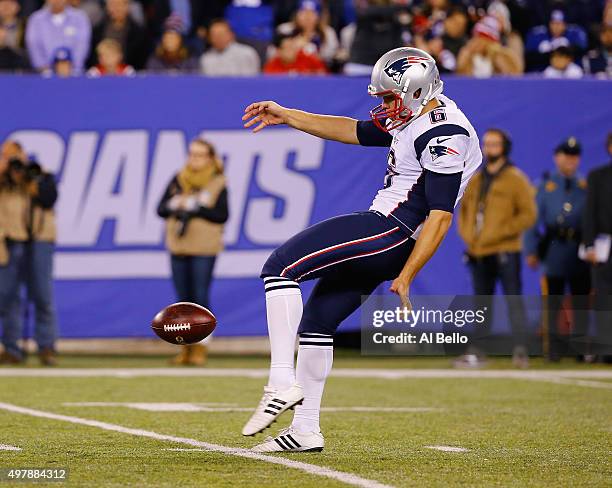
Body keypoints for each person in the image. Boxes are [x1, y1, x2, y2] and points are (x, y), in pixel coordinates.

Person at [240, 47, 482, 452]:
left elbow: (440, 216)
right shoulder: (420, 113)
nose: (386, 107)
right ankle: (305, 430)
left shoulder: (444, 134)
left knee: (279, 268)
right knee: (317, 323)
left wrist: (407, 276)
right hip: (390, 233)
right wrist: (288, 115)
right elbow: (353, 130)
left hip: (391, 231)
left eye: (390, 98)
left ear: (418, 89)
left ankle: (281, 381)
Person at [457, 129, 536, 369]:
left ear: (504, 147)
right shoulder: (477, 178)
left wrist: (501, 231)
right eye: (486, 144)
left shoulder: (516, 178)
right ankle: (478, 351)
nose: (488, 148)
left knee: (513, 300)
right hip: (478, 252)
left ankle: (521, 350)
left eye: (494, 144)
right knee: (481, 304)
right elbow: (465, 212)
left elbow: (529, 215)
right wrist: (469, 237)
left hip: (505, 250)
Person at [157, 138, 229, 366]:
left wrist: (198, 208)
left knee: (200, 297)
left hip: (204, 247)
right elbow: (160, 208)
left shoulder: (217, 182)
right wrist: (176, 205)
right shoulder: (179, 179)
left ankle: (201, 347)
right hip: (179, 245)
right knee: (182, 301)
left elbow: (222, 215)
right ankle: (185, 347)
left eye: (200, 154)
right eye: (192, 154)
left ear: (210, 158)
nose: (194, 159)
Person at [525, 137, 590, 361]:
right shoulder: (545, 185)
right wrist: (531, 250)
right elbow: (532, 220)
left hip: (580, 250)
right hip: (554, 249)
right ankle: (552, 348)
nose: (570, 160)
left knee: (581, 301)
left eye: (574, 156)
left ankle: (581, 348)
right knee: (552, 301)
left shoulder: (586, 186)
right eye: (566, 155)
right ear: (557, 157)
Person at [582, 133, 612, 362]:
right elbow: (589, 213)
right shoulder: (598, 176)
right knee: (603, 299)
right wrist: (590, 244)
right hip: (605, 244)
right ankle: (605, 350)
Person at [0, 141, 29, 364]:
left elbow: (42, 194)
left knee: (10, 297)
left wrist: (22, 167)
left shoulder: (28, 174)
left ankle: (12, 348)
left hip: (17, 239)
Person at [25, 0, 92, 75]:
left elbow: (82, 46)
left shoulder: (80, 18)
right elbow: (33, 46)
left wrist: (72, 68)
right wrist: (44, 68)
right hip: (43, 74)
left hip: (75, 73)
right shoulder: (36, 19)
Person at [89, 0, 148, 70]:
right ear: (107, 7)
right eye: (113, 5)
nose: (116, 8)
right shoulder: (97, 30)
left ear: (127, 7)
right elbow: (92, 56)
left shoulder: (138, 33)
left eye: (120, 5)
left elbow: (140, 59)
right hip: (102, 74)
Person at [276, 0, 339, 65]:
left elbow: (331, 58)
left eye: (311, 13)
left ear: (318, 16)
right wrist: (293, 47)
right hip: (289, 70)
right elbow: (274, 54)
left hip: (317, 71)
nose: (307, 17)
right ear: (297, 14)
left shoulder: (328, 32)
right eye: (303, 13)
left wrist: (311, 52)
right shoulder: (285, 29)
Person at [456, 15, 522, 77]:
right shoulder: (468, 55)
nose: (476, 42)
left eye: (481, 38)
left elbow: (514, 77)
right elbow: (460, 79)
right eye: (475, 37)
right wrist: (465, 59)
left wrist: (496, 56)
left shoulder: (502, 56)